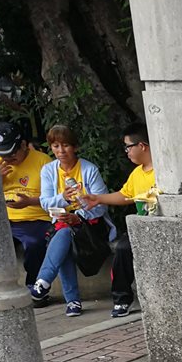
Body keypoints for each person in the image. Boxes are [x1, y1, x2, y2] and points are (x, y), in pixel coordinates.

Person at [28, 125, 116, 317]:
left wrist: (78, 215)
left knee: (65, 234)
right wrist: (64, 199)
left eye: (66, 145)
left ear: (75, 147)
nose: (61, 151)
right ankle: (71, 301)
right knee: (64, 234)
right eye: (56, 146)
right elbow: (45, 202)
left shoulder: (89, 169)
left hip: (90, 227)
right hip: (62, 223)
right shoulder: (48, 170)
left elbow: (101, 205)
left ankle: (50, 286)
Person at [79, 123, 156, 318]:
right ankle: (122, 300)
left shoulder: (164, 169)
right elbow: (125, 195)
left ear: (143, 146)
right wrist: (97, 198)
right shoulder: (138, 172)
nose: (127, 152)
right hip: (141, 225)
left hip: (161, 224)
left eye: (128, 146)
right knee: (122, 248)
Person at [0, 121, 52, 292]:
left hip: (34, 217)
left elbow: (53, 196)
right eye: (4, 155)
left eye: (12, 154)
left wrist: (29, 201)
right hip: (2, 218)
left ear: (24, 145)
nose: (7, 159)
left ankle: (35, 287)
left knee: (34, 243)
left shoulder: (43, 161)